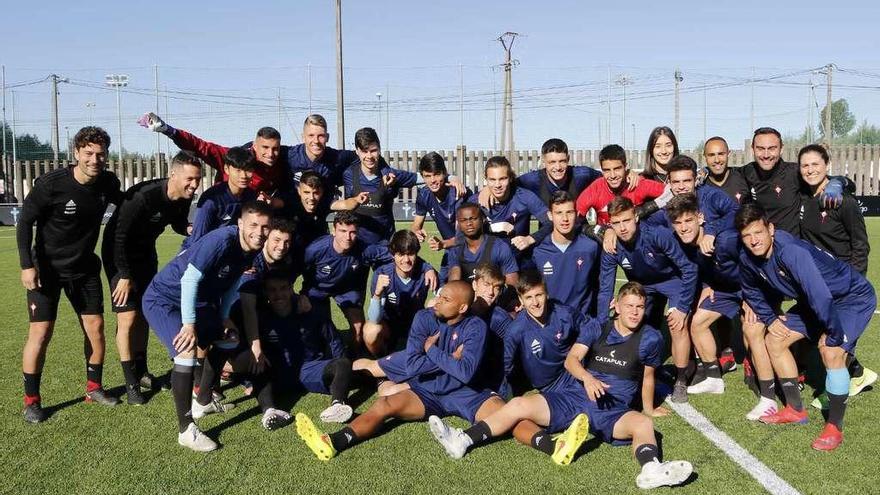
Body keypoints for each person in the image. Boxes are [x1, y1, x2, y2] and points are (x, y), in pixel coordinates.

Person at [294, 281, 505, 460]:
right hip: (427, 388)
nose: (437, 301)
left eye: (446, 300)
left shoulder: (476, 326)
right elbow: (413, 366)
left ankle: (462, 439)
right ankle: (334, 440)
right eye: (440, 296)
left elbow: (465, 373)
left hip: (462, 390)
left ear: (462, 308)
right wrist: (449, 359)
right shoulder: (424, 317)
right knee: (385, 401)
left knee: (503, 412)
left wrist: (430, 350)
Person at [736, 203, 876, 451]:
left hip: (851, 297)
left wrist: (832, 332)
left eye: (758, 232)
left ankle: (834, 427)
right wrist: (770, 318)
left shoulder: (790, 252)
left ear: (771, 229)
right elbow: (751, 291)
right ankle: (795, 409)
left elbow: (820, 295)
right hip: (814, 302)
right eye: (746, 236)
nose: (753, 240)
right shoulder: (747, 257)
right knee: (774, 339)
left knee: (831, 351)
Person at [142, 201, 271, 451]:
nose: (260, 231)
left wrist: (223, 317)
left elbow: (234, 282)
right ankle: (186, 430)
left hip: (197, 301)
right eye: (254, 225)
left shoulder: (252, 247)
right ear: (240, 224)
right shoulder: (222, 240)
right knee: (186, 349)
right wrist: (189, 325)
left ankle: (202, 402)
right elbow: (189, 279)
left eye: (265, 227)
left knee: (229, 338)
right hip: (164, 299)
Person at [428, 271, 591, 466]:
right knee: (515, 408)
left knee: (592, 409)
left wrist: (577, 352)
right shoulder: (517, 329)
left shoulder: (563, 313)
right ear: (521, 300)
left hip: (576, 379)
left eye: (539, 295)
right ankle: (463, 439)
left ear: (546, 294)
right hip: (550, 388)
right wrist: (498, 389)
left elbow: (591, 327)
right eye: (529, 298)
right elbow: (507, 364)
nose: (536, 302)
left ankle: (462, 438)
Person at [18, 126, 123, 423]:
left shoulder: (108, 183)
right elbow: (25, 223)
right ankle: (32, 401)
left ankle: (94, 388)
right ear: (76, 153)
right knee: (40, 333)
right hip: (46, 271)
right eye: (88, 153)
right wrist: (28, 265)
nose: (94, 159)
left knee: (96, 328)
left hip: (85, 270)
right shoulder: (51, 184)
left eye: (100, 154)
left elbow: (128, 203)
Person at [566, 282, 693, 489]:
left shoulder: (651, 337)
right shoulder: (598, 326)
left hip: (614, 411)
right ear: (616, 306)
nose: (634, 312)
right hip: (578, 398)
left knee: (644, 424)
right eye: (629, 306)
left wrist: (649, 409)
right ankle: (552, 444)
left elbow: (648, 376)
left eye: (640, 307)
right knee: (520, 406)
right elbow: (571, 359)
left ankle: (651, 470)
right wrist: (588, 379)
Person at [101, 150, 203, 404]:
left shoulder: (182, 199)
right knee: (128, 317)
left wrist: (189, 228)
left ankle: (142, 371)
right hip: (118, 256)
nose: (194, 185)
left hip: (146, 255)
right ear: (174, 174)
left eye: (198, 179)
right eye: (189, 179)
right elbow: (118, 237)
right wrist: (123, 275)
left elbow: (178, 223)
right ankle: (131, 382)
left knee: (144, 313)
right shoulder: (143, 197)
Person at [664, 195, 776, 417]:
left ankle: (768, 397)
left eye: (688, 221)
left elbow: (755, 260)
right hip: (725, 290)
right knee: (697, 322)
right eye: (678, 223)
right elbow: (703, 268)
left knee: (751, 329)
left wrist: (752, 298)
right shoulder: (684, 244)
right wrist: (708, 284)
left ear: (700, 218)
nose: (684, 228)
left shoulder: (723, 240)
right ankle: (714, 379)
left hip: (754, 288)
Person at [597, 197, 698, 403]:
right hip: (642, 284)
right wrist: (602, 325)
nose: (622, 228)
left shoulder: (657, 235)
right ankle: (638, 367)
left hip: (671, 280)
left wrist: (683, 307)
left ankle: (680, 378)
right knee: (632, 321)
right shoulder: (611, 246)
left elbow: (689, 268)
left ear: (635, 216)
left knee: (677, 323)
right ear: (610, 224)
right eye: (616, 223)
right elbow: (605, 288)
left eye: (626, 220)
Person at [797, 144, 876, 404]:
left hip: (843, 283)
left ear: (827, 165)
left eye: (815, 164)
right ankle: (858, 373)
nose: (810, 170)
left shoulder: (844, 202)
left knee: (830, 341)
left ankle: (835, 393)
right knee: (816, 332)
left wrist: (852, 282)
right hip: (817, 281)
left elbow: (860, 246)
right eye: (805, 165)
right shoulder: (804, 198)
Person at [302, 212, 432, 352]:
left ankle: (351, 359)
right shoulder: (315, 249)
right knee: (317, 329)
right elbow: (299, 269)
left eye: (352, 232)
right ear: (334, 230)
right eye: (343, 231)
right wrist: (304, 293)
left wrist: (427, 267)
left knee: (359, 331)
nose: (348, 237)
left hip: (347, 290)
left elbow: (402, 254)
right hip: (318, 289)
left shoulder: (365, 249)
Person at [252, 271, 357, 424]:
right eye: (272, 290)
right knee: (257, 363)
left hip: (309, 369)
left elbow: (334, 341)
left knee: (343, 363)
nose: (278, 294)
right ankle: (270, 411)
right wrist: (250, 382)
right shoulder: (260, 318)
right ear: (265, 293)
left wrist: (340, 371)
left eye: (283, 288)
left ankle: (337, 405)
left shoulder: (311, 311)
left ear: (291, 289)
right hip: (279, 373)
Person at [139, 112, 286, 200]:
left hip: (250, 222)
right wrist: (168, 130)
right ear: (254, 145)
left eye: (275, 149)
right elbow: (199, 146)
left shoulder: (283, 162)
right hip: (220, 213)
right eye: (265, 148)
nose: (270, 154)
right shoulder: (232, 157)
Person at [332, 127, 419, 245]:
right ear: (357, 151)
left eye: (373, 150)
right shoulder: (348, 174)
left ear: (379, 149)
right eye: (364, 151)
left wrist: (450, 178)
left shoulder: (390, 175)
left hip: (385, 244)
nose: (369, 156)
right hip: (358, 245)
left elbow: (422, 177)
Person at [468, 156, 552, 265]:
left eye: (502, 179)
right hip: (486, 265)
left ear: (511, 178)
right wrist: (490, 227)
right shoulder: (475, 202)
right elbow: (462, 235)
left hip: (519, 262)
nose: (497, 185)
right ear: (486, 179)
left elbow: (551, 222)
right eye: (492, 179)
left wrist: (530, 239)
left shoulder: (524, 197)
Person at [363, 230, 434, 356]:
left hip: (416, 326)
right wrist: (378, 294)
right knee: (370, 330)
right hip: (389, 327)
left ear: (416, 254)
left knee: (434, 305)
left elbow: (447, 297)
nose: (406, 260)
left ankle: (431, 360)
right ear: (393, 255)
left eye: (411, 254)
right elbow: (374, 319)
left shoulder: (427, 273)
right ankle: (381, 361)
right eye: (401, 254)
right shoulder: (382, 274)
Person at [532, 191, 600, 316]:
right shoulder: (538, 251)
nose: (565, 219)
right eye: (559, 213)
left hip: (582, 324)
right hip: (551, 323)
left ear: (577, 214)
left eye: (569, 212)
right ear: (550, 215)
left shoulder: (591, 248)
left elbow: (600, 284)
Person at [181, 147, 258, 250]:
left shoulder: (251, 197)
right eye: (238, 170)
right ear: (226, 169)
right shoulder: (211, 199)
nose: (243, 175)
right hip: (199, 253)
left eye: (248, 170)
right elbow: (197, 240)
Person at [412, 152, 472, 282]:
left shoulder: (459, 193)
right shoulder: (424, 195)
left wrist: (443, 244)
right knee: (442, 293)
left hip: (472, 250)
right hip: (449, 250)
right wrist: (417, 232)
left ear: (444, 173)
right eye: (427, 176)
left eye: (436, 174)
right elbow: (416, 225)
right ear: (422, 176)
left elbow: (465, 236)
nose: (432, 180)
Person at [576, 144, 669, 227]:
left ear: (625, 167)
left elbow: (671, 191)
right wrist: (599, 231)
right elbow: (574, 217)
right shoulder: (596, 188)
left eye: (617, 169)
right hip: (606, 240)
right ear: (602, 170)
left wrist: (646, 209)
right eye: (607, 170)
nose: (613, 175)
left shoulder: (636, 183)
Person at [446, 203, 519, 286]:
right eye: (463, 220)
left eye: (473, 218)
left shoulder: (499, 247)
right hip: (467, 298)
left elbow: (512, 286)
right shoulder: (456, 251)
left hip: (494, 297)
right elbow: (453, 285)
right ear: (458, 224)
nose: (469, 223)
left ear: (483, 219)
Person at [703, 136, 750, 204]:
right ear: (705, 156)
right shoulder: (699, 183)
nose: (717, 160)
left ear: (728, 154)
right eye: (711, 155)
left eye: (721, 154)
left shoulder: (743, 178)